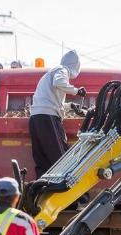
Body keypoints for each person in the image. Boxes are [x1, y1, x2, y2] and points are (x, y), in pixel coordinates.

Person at [29, 49, 86, 177]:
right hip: (48, 118)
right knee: (60, 158)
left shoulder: (50, 73)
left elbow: (50, 101)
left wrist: (70, 106)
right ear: (76, 65)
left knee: (42, 160)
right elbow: (59, 82)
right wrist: (77, 91)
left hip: (35, 118)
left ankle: (42, 186)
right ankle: (66, 186)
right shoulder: (62, 70)